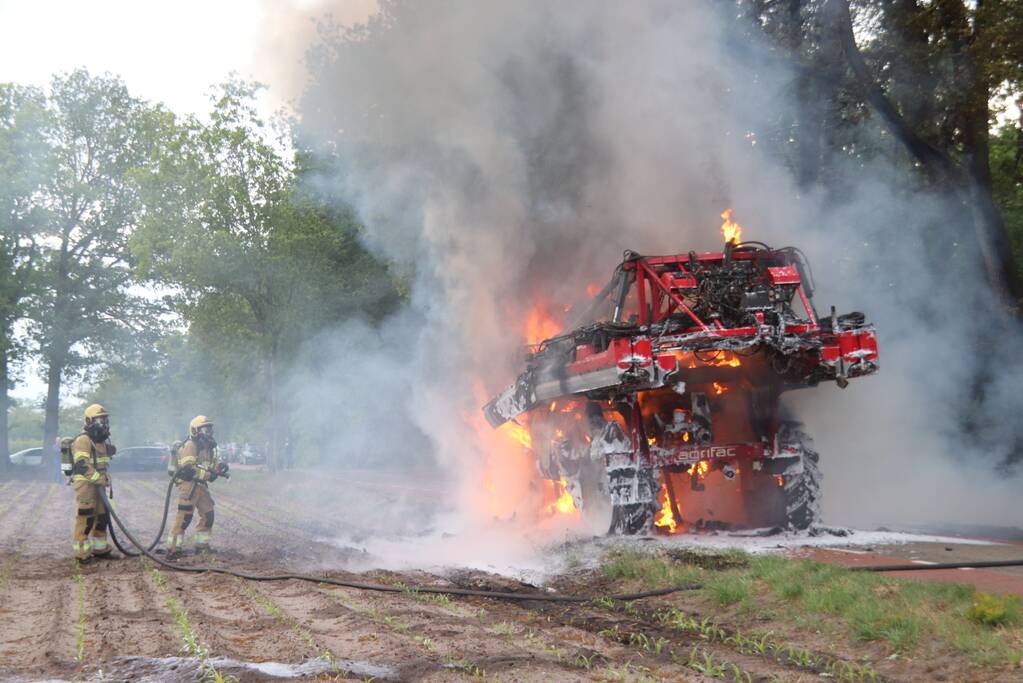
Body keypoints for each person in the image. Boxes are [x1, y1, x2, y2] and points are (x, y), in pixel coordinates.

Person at [166, 415, 228, 558]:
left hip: (201, 486)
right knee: (184, 518)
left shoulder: (208, 448)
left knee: (208, 515)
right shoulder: (190, 445)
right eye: (205, 429)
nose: (209, 432)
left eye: (209, 429)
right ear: (195, 430)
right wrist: (209, 475)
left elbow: (210, 466)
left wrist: (219, 467)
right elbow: (190, 469)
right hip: (188, 486)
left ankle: (202, 547)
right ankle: (173, 549)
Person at [71, 404, 117, 563]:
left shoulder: (101, 440)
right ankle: (81, 554)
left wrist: (103, 479)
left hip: (99, 484)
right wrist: (100, 478)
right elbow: (82, 465)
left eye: (105, 419)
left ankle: (100, 548)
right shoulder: (83, 440)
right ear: (89, 421)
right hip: (86, 486)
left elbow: (102, 462)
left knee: (103, 517)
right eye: (99, 419)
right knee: (86, 518)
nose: (103, 423)